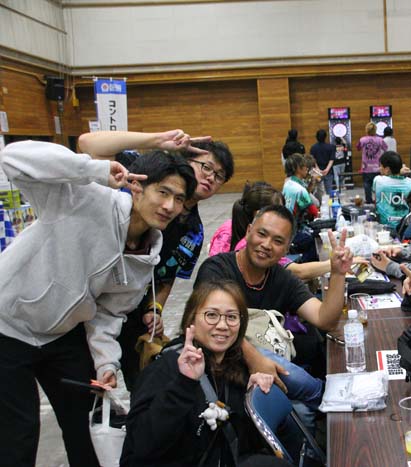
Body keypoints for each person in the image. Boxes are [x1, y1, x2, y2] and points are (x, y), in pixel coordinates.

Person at [0, 131, 198, 466]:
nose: (169, 206)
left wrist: (106, 362)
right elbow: (13, 158)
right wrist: (92, 170)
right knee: (18, 436)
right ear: (137, 186)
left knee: (86, 428)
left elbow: (109, 313)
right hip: (7, 327)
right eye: (163, 192)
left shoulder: (148, 253)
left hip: (60, 336)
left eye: (178, 199)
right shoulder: (85, 198)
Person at [79, 133, 235, 390]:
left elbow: (167, 277)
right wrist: (157, 140)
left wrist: (155, 309)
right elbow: (88, 144)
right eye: (206, 167)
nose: (210, 177)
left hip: (131, 311)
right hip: (83, 301)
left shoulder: (194, 232)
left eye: (219, 176)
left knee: (142, 384)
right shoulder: (143, 175)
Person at [120, 279, 290, 467]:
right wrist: (183, 384)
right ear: (191, 319)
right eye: (211, 315)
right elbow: (140, 448)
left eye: (232, 317)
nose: (223, 325)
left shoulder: (234, 366)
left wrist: (252, 399)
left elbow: (237, 443)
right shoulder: (166, 368)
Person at [195, 205, 354, 383]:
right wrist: (255, 359)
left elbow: (324, 319)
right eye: (262, 234)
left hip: (267, 369)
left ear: (286, 250)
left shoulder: (282, 278)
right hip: (220, 367)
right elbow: (209, 325)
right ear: (248, 232)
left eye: (278, 241)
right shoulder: (216, 270)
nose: (266, 245)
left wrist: (338, 273)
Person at [209, 181, 366, 281]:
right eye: (277, 211)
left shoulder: (234, 226)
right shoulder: (250, 245)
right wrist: (336, 264)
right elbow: (297, 272)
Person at [282, 154, 319, 262]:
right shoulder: (299, 189)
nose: (307, 168)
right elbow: (315, 212)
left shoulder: (288, 184)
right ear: (298, 168)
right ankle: (304, 265)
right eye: (304, 165)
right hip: (293, 232)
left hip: (286, 228)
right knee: (316, 239)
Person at [372, 151, 411, 229]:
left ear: (387, 169)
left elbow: (374, 200)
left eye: (380, 166)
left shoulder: (378, 181)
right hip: (404, 227)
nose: (379, 168)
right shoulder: (410, 183)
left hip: (383, 227)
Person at [356, 121, 388, 203]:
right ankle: (378, 200)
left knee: (367, 184)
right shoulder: (380, 140)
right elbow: (386, 148)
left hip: (366, 167)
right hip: (377, 167)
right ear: (375, 130)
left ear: (367, 130)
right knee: (378, 185)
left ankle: (369, 201)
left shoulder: (362, 139)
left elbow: (358, 147)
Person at [309, 129, 335, 195]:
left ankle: (319, 201)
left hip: (317, 172)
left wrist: (318, 169)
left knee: (317, 191)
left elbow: (313, 159)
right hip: (328, 171)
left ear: (316, 137)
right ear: (325, 137)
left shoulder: (313, 147)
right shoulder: (331, 147)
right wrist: (327, 169)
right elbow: (331, 159)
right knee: (329, 190)